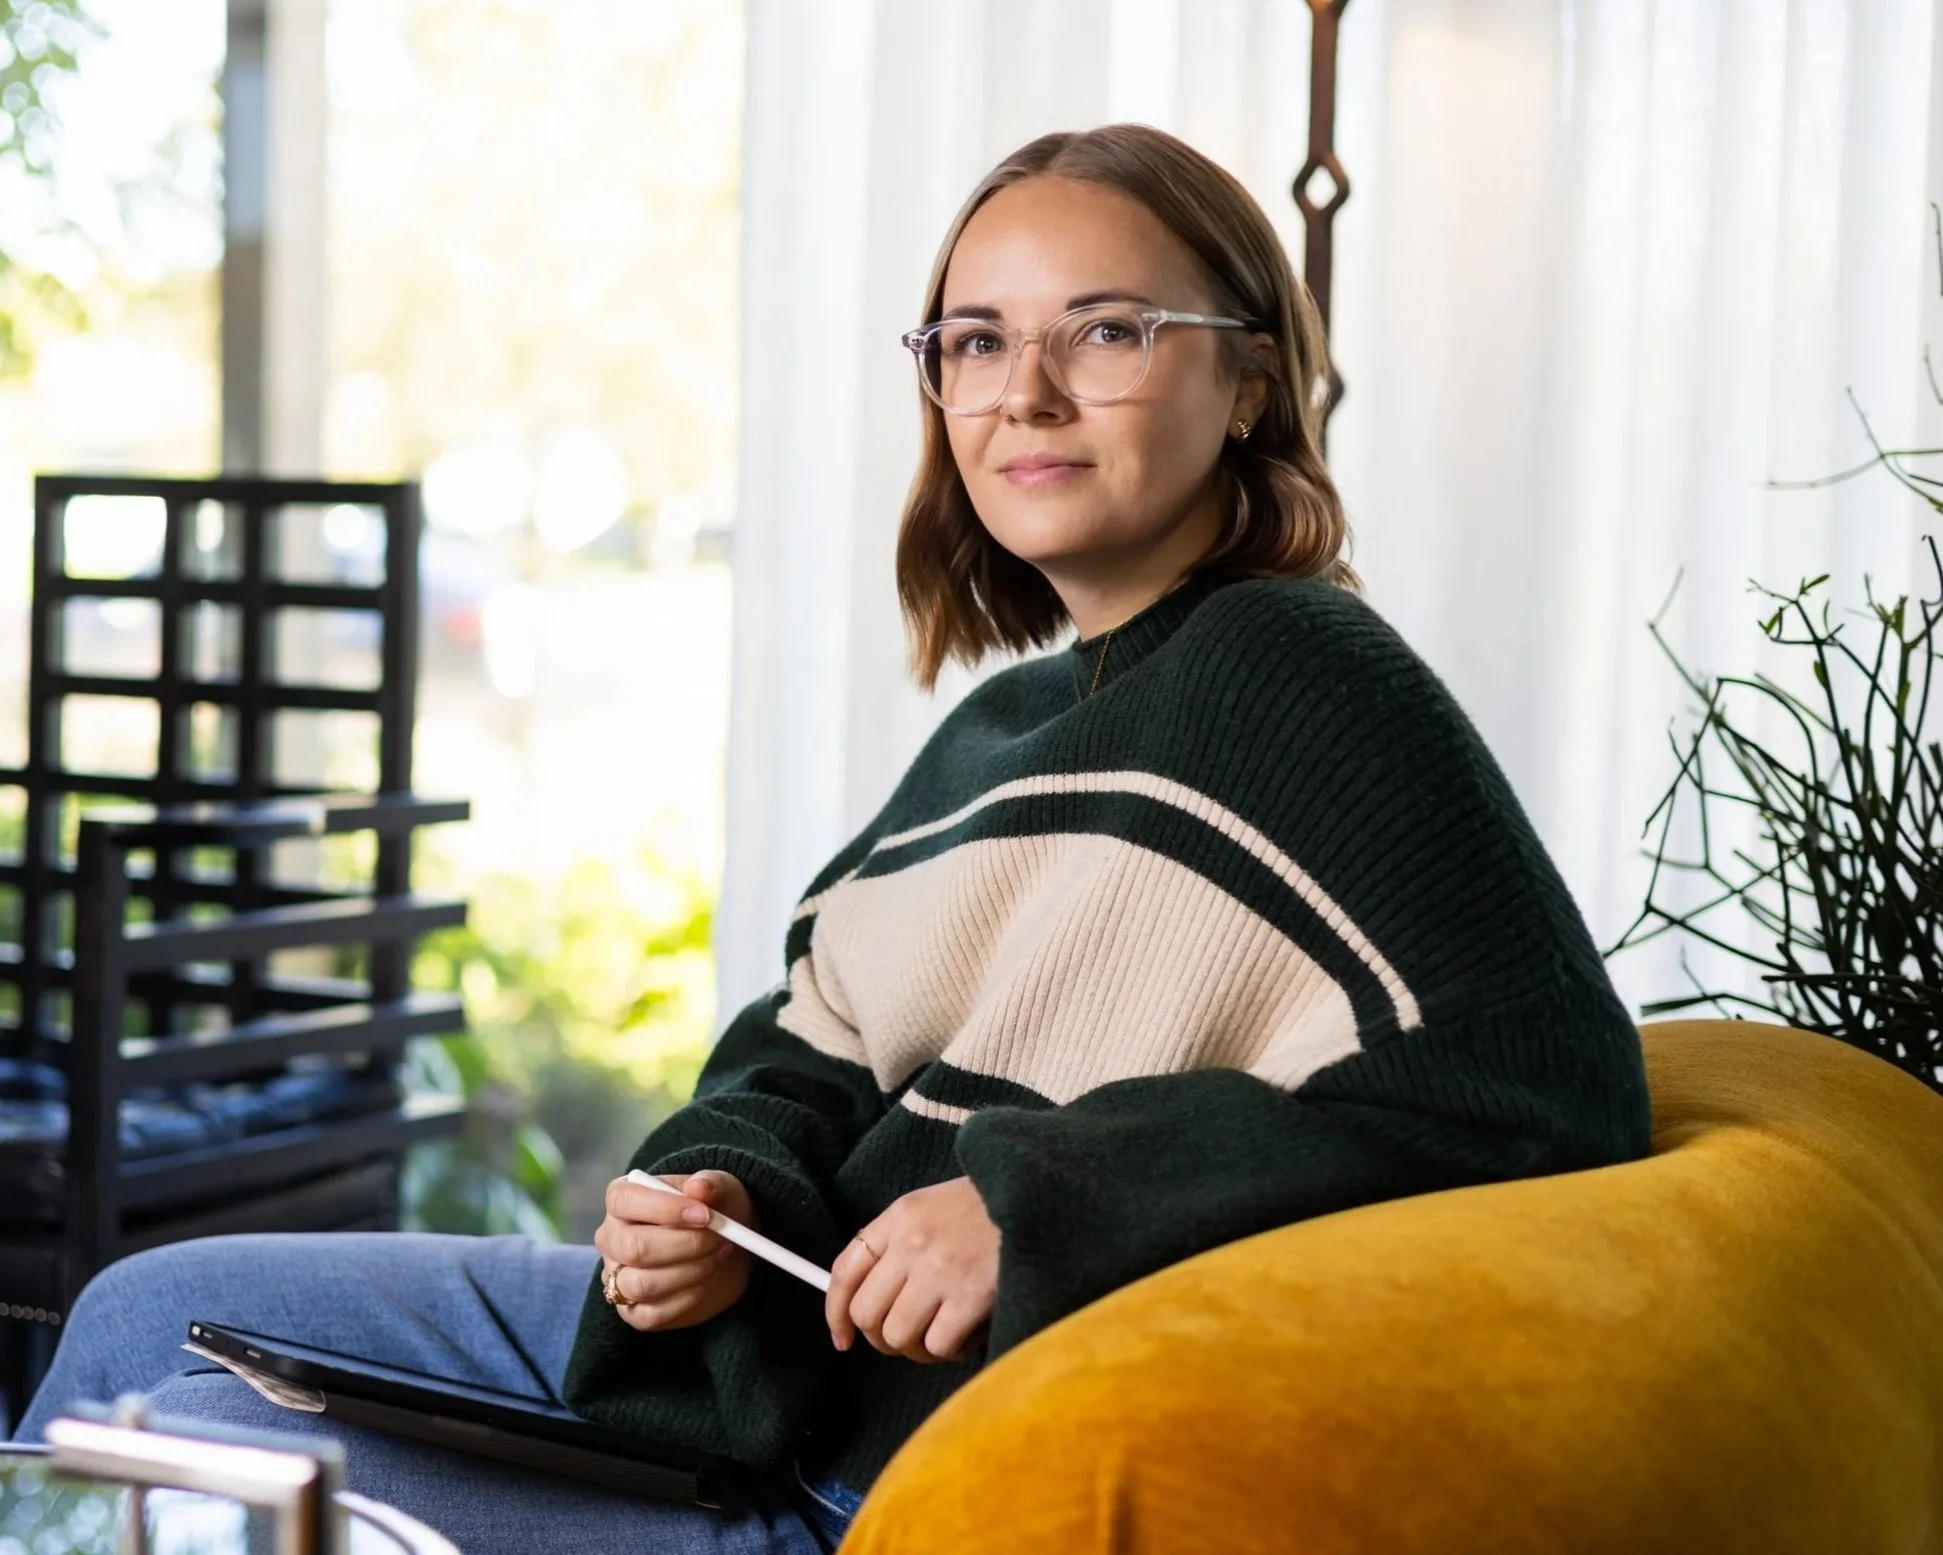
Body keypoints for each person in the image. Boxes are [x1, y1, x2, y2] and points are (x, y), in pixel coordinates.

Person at [13, 123, 1653, 1553]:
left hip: (845, 1485)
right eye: (972, 339)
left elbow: (1542, 1087)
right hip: (761, 1374)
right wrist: (710, 1188)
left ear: (1248, 379)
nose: (1023, 390)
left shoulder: (1300, 674)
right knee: (136, 1309)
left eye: (1108, 331)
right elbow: (806, 1054)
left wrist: (1034, 1199)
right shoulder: (1002, 728)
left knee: (182, 1450)